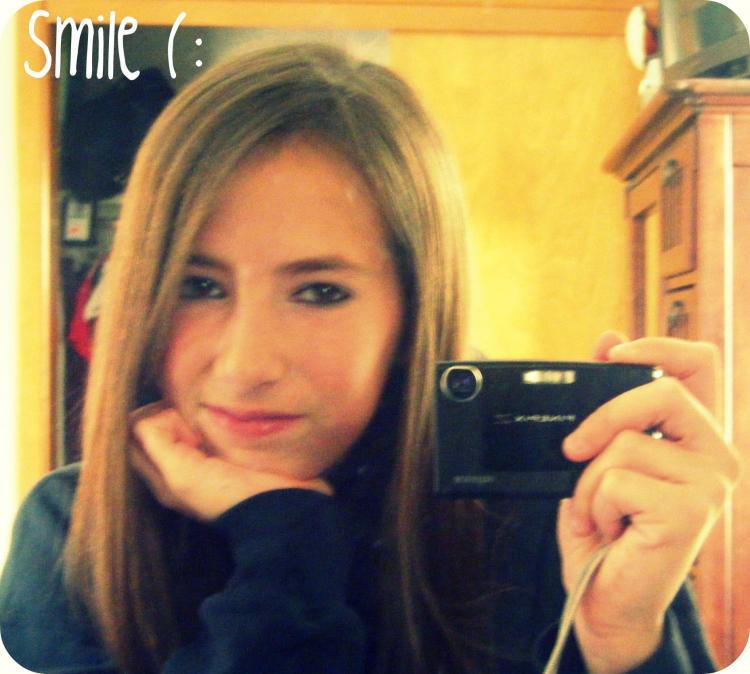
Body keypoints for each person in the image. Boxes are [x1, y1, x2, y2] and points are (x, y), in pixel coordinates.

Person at [0, 42, 740, 674]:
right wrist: (284, 537)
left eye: (320, 292)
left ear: (412, 314)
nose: (246, 366)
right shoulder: (72, 530)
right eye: (199, 285)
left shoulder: (551, 525)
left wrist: (625, 641)